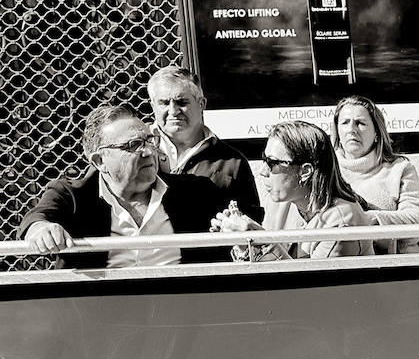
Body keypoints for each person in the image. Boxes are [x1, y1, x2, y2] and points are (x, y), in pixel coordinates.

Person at [20, 104, 233, 268]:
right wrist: (41, 230)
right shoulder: (73, 195)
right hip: (100, 307)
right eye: (133, 145)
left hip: (181, 306)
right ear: (100, 161)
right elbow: (36, 219)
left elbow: (233, 240)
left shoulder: (195, 192)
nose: (148, 152)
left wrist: (239, 235)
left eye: (149, 141)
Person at [218, 120, 373, 260]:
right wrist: (242, 243)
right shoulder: (279, 202)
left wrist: (258, 241)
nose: (263, 171)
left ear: (305, 171)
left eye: (272, 163)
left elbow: (309, 281)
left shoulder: (341, 222)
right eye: (264, 159)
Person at [146, 65, 263, 222]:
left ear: (201, 104)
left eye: (182, 102)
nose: (173, 111)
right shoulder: (137, 151)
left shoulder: (232, 162)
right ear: (153, 106)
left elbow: (250, 224)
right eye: (164, 103)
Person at [331, 94, 419, 253]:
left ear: (377, 133)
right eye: (345, 122)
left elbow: (417, 216)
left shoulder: (399, 169)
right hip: (341, 260)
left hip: (395, 260)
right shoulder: (326, 171)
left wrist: (371, 219)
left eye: (360, 123)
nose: (351, 130)